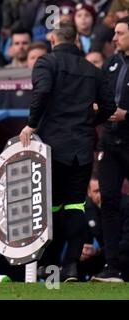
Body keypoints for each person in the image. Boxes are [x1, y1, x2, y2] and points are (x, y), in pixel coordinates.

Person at [19, 21, 116, 282]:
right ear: (76, 41)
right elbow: (108, 107)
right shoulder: (92, 69)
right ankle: (70, 265)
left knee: (47, 206)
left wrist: (30, 124)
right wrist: (88, 123)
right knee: (75, 205)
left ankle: (47, 265)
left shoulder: (45, 63)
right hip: (82, 148)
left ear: (52, 40)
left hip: (51, 149)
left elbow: (42, 92)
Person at [92, 16, 129, 282]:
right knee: (109, 201)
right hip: (109, 141)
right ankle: (112, 265)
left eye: (119, 33)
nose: (114, 38)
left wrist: (127, 115)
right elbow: (99, 96)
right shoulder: (112, 62)